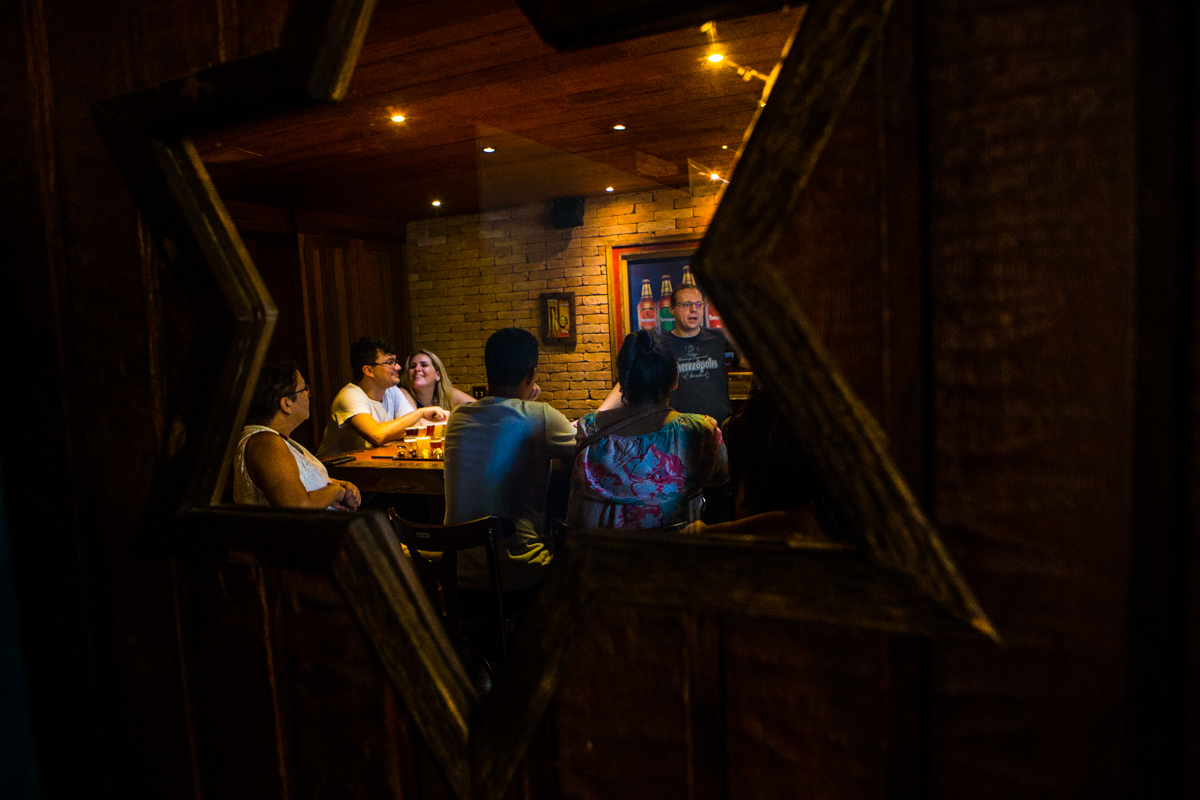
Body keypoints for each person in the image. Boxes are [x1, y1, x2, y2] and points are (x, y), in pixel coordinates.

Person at [442, 328, 575, 604]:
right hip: (518, 576)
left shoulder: (457, 417)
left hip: (459, 576)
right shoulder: (542, 416)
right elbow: (588, 458)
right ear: (531, 375)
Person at [569, 330, 728, 529]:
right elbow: (721, 479)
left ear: (622, 382)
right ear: (675, 379)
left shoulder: (588, 428)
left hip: (595, 556)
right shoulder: (701, 430)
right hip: (670, 555)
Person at [234, 360, 361, 509]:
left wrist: (336, 484)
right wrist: (336, 491)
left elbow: (293, 484)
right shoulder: (267, 443)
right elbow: (296, 505)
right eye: (304, 389)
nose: (309, 393)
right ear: (286, 404)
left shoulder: (276, 439)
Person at [598, 285, 732, 424]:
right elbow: (630, 380)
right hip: (676, 432)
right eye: (687, 304)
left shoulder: (719, 338)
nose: (694, 309)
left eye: (698, 304)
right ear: (672, 309)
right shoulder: (660, 345)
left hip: (717, 428)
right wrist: (598, 414)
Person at [316, 337, 448, 458]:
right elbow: (377, 435)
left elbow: (412, 430)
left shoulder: (391, 391)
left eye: (395, 361)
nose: (398, 367)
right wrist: (420, 413)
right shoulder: (350, 395)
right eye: (390, 363)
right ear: (368, 370)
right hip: (335, 474)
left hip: (368, 467)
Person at [402, 349, 477, 411]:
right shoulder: (403, 394)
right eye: (412, 366)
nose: (417, 369)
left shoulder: (447, 393)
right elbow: (415, 421)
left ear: (438, 375)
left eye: (424, 365)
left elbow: (480, 407)